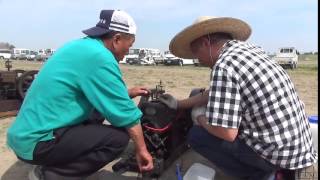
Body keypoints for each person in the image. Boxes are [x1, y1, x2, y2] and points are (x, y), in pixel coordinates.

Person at [159, 16, 318, 180]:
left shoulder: (225, 65)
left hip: (277, 156)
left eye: (196, 52)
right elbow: (213, 93)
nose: (196, 59)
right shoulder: (250, 51)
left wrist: (200, 118)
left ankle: (258, 174)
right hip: (299, 149)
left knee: (196, 135)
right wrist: (179, 104)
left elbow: (226, 133)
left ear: (206, 43)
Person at [7, 9, 153, 180]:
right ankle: (51, 175)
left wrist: (127, 93)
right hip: (37, 142)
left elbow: (98, 94)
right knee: (118, 139)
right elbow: (126, 114)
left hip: (26, 135)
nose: (128, 51)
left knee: (96, 113)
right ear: (117, 39)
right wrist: (142, 150)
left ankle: (56, 164)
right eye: (130, 45)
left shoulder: (82, 47)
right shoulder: (100, 57)